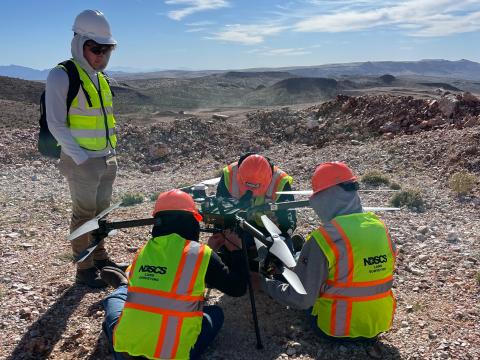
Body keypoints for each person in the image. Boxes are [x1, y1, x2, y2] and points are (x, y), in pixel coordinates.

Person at [257, 162, 397, 341]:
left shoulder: (326, 237)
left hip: (335, 329)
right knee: (331, 265)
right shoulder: (380, 227)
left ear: (324, 199)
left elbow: (301, 300)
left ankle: (293, 262)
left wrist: (263, 284)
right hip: (378, 325)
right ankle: (301, 258)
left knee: (296, 273)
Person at [101, 189, 247, 360]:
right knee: (215, 313)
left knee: (116, 300)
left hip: (127, 353)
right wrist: (236, 250)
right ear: (193, 221)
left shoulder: (144, 251)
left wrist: (208, 253)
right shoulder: (202, 255)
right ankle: (122, 287)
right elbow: (237, 288)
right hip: (172, 356)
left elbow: (175, 266)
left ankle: (121, 287)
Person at [45, 10, 123, 287]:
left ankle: (101, 257)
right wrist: (79, 158)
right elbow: (55, 122)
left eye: (107, 49)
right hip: (82, 161)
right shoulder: (62, 75)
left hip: (105, 157)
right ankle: (85, 269)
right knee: (84, 216)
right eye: (96, 48)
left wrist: (110, 153)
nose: (101, 55)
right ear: (79, 43)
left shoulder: (101, 79)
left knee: (101, 214)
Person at [213, 153, 300, 264]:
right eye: (248, 185)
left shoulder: (280, 181)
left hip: (270, 232)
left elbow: (289, 218)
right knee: (225, 259)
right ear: (239, 176)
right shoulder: (229, 175)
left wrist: (283, 236)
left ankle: (296, 252)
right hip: (240, 227)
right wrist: (223, 235)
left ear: (268, 179)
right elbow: (218, 212)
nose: (251, 191)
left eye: (256, 187)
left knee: (284, 264)